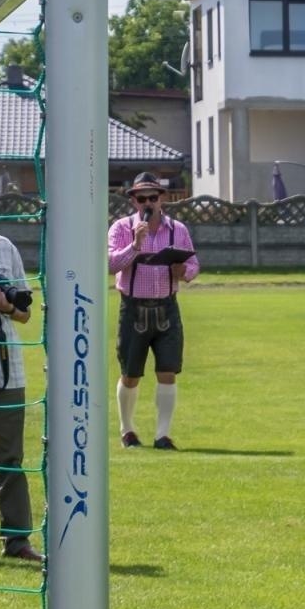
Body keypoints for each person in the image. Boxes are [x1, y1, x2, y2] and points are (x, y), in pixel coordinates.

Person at [106, 172, 200, 450]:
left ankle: (162, 435)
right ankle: (127, 430)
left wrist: (183, 271)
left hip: (167, 308)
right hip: (133, 309)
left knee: (168, 371)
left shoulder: (178, 230)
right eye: (142, 198)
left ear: (162, 199)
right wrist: (135, 245)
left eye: (153, 197)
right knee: (130, 374)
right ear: (133, 201)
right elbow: (110, 264)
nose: (148, 203)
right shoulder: (121, 228)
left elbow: (194, 264)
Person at [0, 179, 43, 564]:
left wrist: (3, 304)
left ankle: (17, 539)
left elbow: (25, 312)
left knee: (10, 459)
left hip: (5, 371)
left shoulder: (5, 248)